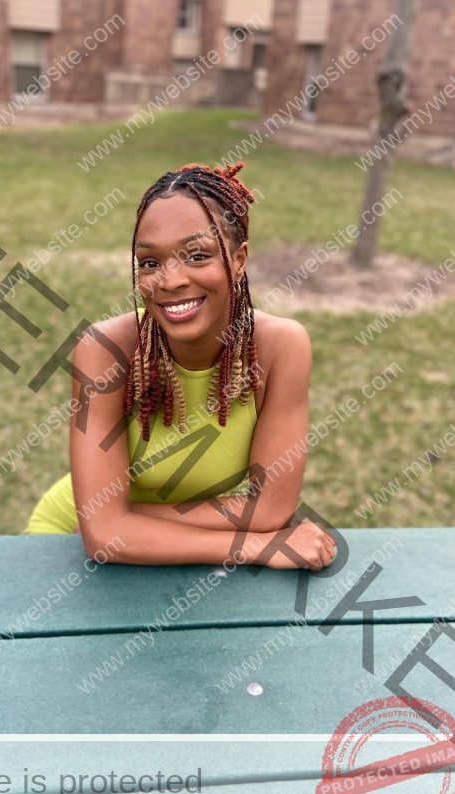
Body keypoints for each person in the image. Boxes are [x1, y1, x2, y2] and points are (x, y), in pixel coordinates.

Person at [25, 161, 337, 572]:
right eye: (150, 263)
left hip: (165, 547)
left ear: (240, 259)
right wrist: (256, 547)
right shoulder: (104, 349)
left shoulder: (280, 348)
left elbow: (269, 512)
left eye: (197, 255)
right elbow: (102, 537)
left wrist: (122, 520)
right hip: (66, 542)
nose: (170, 281)